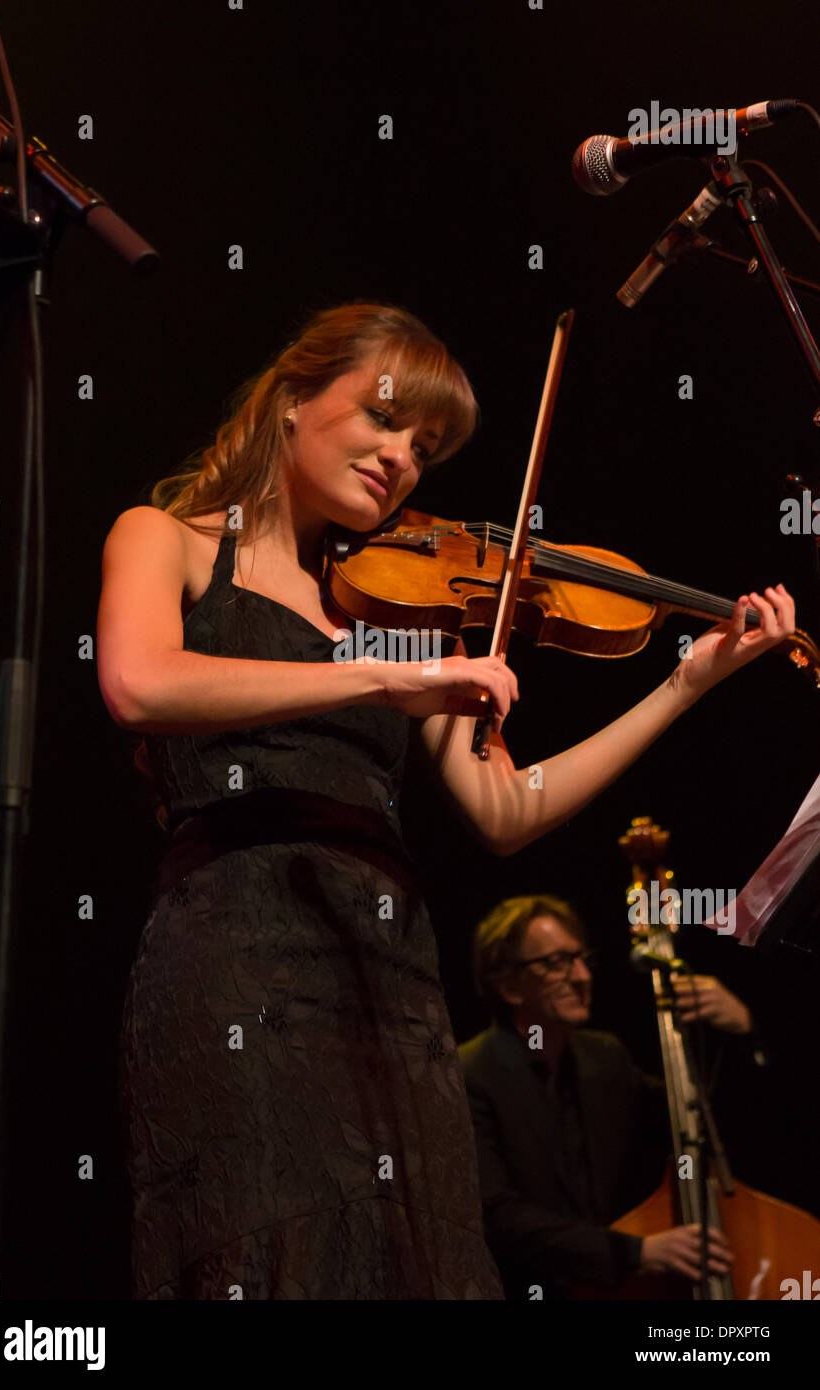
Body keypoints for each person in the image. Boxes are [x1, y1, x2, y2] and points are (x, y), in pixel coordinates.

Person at [95, 301, 795, 1300]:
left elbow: (507, 810)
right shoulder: (166, 540)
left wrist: (684, 683)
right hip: (235, 954)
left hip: (388, 979)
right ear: (293, 399)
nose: (399, 461)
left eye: (422, 449)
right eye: (383, 420)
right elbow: (141, 685)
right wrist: (377, 677)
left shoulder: (393, 603)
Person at [458, 894, 761, 1299]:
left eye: (582, 959)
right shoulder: (470, 1074)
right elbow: (496, 1214)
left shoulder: (605, 1058)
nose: (582, 976)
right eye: (556, 963)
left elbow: (698, 1122)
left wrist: (740, 1032)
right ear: (510, 986)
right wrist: (635, 1252)